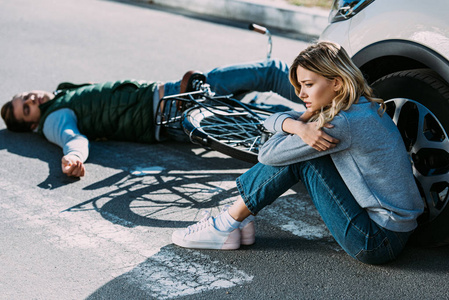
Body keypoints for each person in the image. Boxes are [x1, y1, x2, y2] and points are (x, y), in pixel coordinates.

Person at [171, 41, 424, 265]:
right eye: (300, 85)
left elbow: (267, 153)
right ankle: (240, 220)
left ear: (336, 83)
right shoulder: (357, 106)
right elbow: (271, 122)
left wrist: (300, 125)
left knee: (302, 161)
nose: (301, 94)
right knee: (301, 150)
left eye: (308, 85)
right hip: (397, 230)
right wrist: (297, 125)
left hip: (377, 240)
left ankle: (227, 223)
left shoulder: (340, 124)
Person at [1, 59, 300, 178]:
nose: (31, 100)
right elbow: (72, 138)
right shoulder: (54, 119)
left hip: (175, 93)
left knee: (265, 91)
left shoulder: (60, 96)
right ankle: (330, 113)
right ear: (31, 124)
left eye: (26, 96)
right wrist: (73, 159)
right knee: (266, 95)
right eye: (26, 108)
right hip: (175, 109)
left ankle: (329, 104)